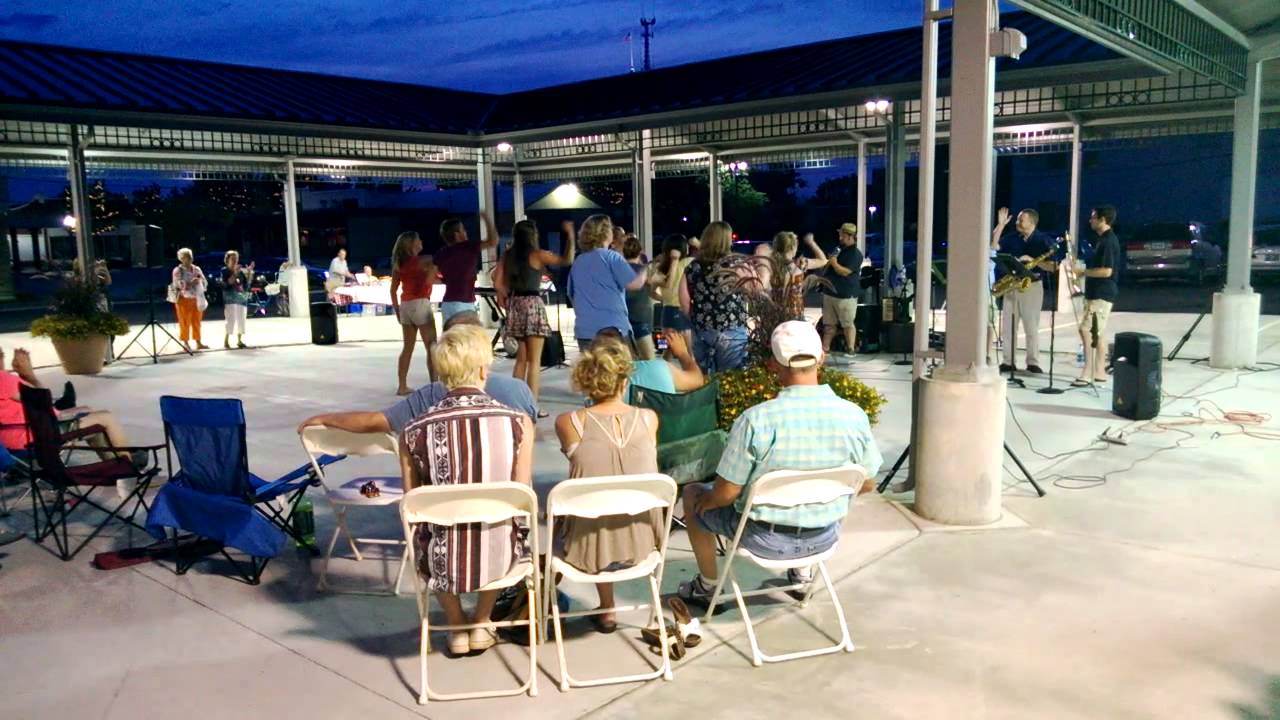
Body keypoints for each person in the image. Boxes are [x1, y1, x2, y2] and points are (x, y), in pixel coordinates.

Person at [678, 321, 883, 606]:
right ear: (821, 357)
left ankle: (708, 586)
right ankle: (802, 574)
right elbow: (868, 482)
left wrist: (707, 500)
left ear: (773, 365)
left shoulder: (756, 420)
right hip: (824, 537)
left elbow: (726, 493)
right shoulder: (854, 416)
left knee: (693, 494)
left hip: (763, 540)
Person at [399, 324, 535, 657]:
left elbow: (411, 508)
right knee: (507, 524)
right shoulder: (518, 423)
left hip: (442, 563)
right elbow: (522, 497)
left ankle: (457, 623)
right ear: (483, 369)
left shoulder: (413, 431)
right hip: (501, 557)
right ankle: (481, 621)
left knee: (428, 530)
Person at [554, 335, 661, 633]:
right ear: (624, 380)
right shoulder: (649, 419)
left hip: (587, 550)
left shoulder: (568, 423)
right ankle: (607, 607)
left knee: (585, 509)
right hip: (644, 543)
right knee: (613, 501)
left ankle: (604, 607)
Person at [299, 312, 537, 436]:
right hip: (505, 508)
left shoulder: (431, 397)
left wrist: (326, 418)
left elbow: (377, 421)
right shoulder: (518, 392)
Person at [0, 346, 141, 497]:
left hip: (10, 440)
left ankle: (115, 467)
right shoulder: (3, 379)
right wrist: (29, 375)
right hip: (36, 436)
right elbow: (43, 404)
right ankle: (128, 470)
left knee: (91, 416)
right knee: (106, 417)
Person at [494, 219, 575, 416]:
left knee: (521, 360)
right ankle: (532, 406)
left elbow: (497, 281)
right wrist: (570, 237)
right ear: (532, 235)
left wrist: (504, 294)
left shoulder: (507, 255)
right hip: (532, 304)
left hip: (516, 304)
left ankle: (514, 403)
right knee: (534, 361)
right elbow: (566, 260)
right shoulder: (537, 255)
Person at [567, 214, 647, 353]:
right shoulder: (611, 257)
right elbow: (634, 284)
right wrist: (647, 268)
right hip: (614, 331)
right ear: (604, 232)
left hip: (585, 332)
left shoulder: (578, 262)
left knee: (593, 373)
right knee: (621, 372)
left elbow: (572, 296)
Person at [992, 207, 1057, 374]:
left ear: (1032, 222)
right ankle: (1008, 362)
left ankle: (1032, 362)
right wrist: (1000, 226)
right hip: (1012, 284)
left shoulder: (1044, 240)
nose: (1017, 223)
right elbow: (994, 245)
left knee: (1031, 326)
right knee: (1008, 327)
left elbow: (1054, 266)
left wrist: (1034, 261)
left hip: (1032, 286)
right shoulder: (1013, 238)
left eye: (1021, 220)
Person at [680, 221, 749, 373]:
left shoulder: (693, 266)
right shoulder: (736, 264)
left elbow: (684, 302)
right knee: (731, 380)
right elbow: (751, 289)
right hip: (731, 329)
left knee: (703, 378)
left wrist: (697, 319)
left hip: (702, 329)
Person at [1074, 205, 1121, 387]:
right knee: (1098, 334)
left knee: (1087, 330)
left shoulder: (1109, 241)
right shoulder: (1102, 240)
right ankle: (1099, 372)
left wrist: (1083, 272)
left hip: (1103, 292)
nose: (1090, 220)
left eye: (1093, 217)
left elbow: (1107, 271)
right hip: (1096, 292)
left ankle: (1087, 372)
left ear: (1103, 219)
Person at [591, 327, 704, 398]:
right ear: (630, 349)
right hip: (665, 434)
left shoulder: (597, 386)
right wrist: (683, 353)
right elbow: (697, 380)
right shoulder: (660, 369)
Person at [390, 231, 437, 395]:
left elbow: (393, 290)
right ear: (412, 244)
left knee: (407, 348)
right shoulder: (423, 261)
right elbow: (434, 278)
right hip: (421, 303)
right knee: (432, 347)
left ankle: (402, 386)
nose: (421, 241)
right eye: (418, 239)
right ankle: (434, 386)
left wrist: (396, 310)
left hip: (405, 306)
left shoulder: (399, 265)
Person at [435, 214, 499, 324]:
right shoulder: (468, 247)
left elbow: (430, 276)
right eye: (463, 229)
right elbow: (493, 241)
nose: (466, 232)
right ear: (457, 234)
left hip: (447, 303)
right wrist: (487, 220)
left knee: (451, 340)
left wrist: (446, 280)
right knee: (471, 338)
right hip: (464, 304)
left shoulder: (441, 253)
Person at [754, 231, 828, 320]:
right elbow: (823, 261)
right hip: (795, 315)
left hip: (774, 315)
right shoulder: (800, 264)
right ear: (793, 247)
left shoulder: (770, 265)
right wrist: (811, 243)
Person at [820, 223, 863, 360]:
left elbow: (844, 272)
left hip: (845, 295)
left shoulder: (856, 254)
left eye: (843, 235)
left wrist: (833, 262)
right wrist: (829, 261)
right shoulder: (838, 249)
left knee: (847, 323)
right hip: (830, 293)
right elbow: (828, 265)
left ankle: (850, 349)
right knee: (828, 324)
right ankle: (824, 348)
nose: (840, 237)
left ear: (851, 236)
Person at [648, 234, 693, 351]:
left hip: (666, 313)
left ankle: (664, 367)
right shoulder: (689, 263)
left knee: (666, 350)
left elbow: (651, 292)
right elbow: (709, 255)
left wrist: (665, 299)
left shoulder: (660, 267)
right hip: (683, 312)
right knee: (689, 354)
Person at [622, 235, 657, 360]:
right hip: (642, 318)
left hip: (623, 319)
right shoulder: (644, 270)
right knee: (649, 360)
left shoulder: (618, 271)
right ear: (640, 252)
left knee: (628, 362)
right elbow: (654, 286)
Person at [170, 248, 208, 351]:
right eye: (187, 256)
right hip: (183, 299)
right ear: (181, 259)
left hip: (196, 299)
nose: (190, 258)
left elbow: (205, 281)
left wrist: (200, 281)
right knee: (184, 322)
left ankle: (198, 342)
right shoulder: (178, 270)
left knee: (197, 321)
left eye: (190, 256)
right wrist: (191, 283)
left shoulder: (196, 269)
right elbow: (177, 284)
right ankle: (185, 343)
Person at [221, 251, 254, 350]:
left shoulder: (241, 271)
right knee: (230, 319)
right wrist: (235, 273)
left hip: (241, 298)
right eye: (233, 258)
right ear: (227, 260)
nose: (235, 260)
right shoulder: (225, 270)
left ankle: (239, 340)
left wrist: (248, 273)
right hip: (230, 298)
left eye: (237, 258)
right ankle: (226, 340)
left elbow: (246, 285)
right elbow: (227, 283)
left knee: (241, 319)